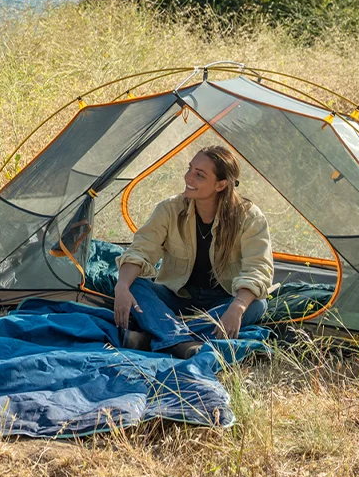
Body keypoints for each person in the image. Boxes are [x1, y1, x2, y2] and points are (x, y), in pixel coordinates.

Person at [114, 145, 273, 358]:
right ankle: (180, 339)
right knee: (135, 285)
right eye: (190, 169)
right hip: (177, 296)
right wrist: (122, 286)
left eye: (199, 175)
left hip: (223, 299)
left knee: (256, 305)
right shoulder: (170, 209)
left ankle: (157, 338)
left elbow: (259, 268)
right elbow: (141, 248)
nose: (188, 177)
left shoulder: (249, 217)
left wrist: (238, 306)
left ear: (220, 185)